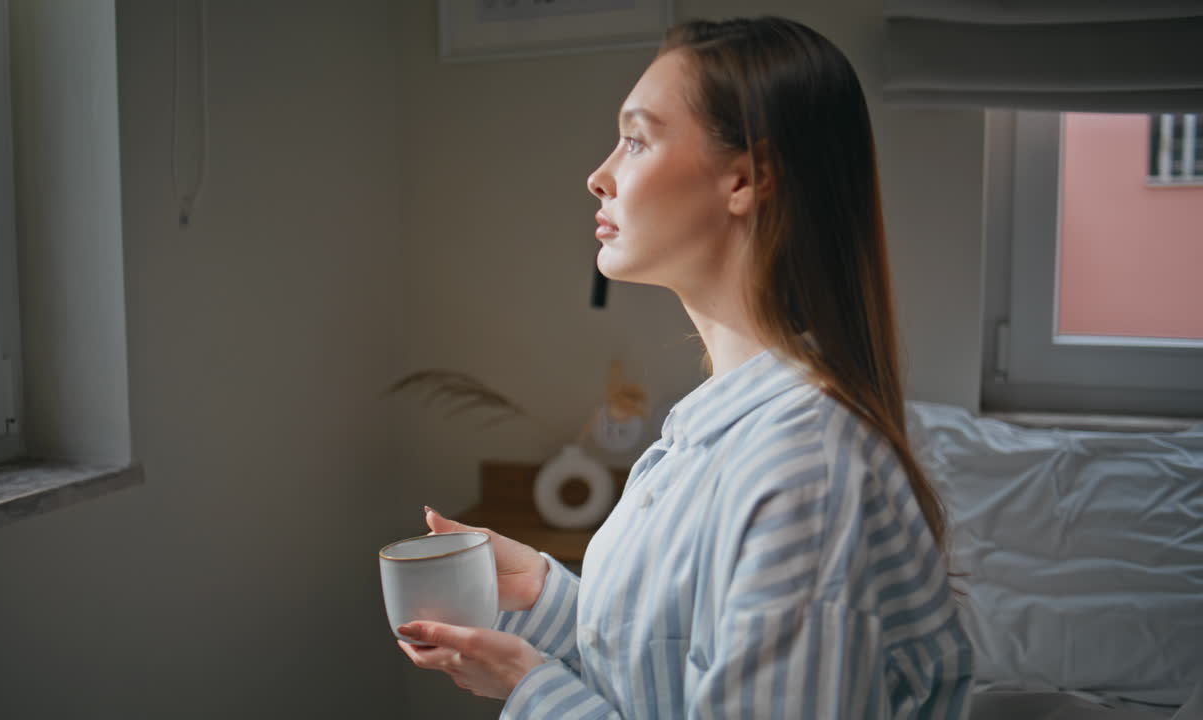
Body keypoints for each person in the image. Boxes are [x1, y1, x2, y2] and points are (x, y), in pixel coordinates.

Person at [396, 15, 973, 719]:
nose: (598, 175)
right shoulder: (720, 433)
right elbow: (671, 668)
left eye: (636, 139)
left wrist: (530, 689)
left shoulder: (801, 476)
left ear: (746, 179)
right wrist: (543, 596)